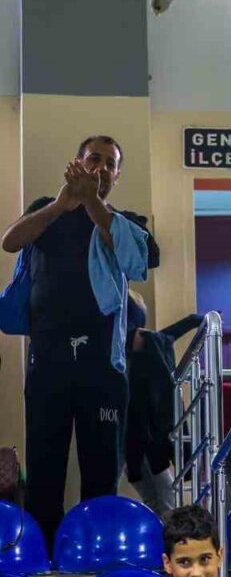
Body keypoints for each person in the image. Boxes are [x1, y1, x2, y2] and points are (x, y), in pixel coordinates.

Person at [1, 135, 160, 549]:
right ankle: (44, 561)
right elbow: (10, 241)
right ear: (77, 163)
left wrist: (91, 203)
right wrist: (61, 205)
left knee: (102, 471)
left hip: (102, 366)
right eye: (94, 159)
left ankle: (95, 555)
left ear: (117, 175)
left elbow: (138, 261)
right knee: (44, 469)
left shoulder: (126, 222)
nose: (101, 167)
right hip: (48, 361)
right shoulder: (46, 210)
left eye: (110, 163)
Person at [124, 291, 202, 517]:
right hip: (145, 436)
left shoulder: (127, 347)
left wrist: (192, 321)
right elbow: (162, 337)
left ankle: (159, 537)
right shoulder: (139, 342)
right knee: (166, 503)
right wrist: (193, 321)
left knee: (156, 501)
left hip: (135, 437)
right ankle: (167, 538)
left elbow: (164, 336)